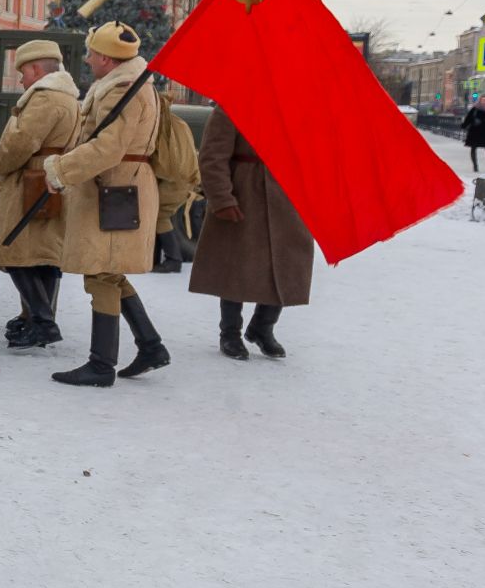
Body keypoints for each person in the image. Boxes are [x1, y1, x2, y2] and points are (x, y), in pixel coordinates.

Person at [41, 22, 168, 387]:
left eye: (93, 54)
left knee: (102, 271)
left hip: (114, 188)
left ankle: (101, 364)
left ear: (109, 60)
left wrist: (61, 170)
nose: (88, 59)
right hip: (117, 186)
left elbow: (109, 148)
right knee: (108, 270)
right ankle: (150, 345)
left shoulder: (121, 90)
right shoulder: (128, 84)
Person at [188, 108, 314, 360]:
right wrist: (222, 198)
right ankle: (230, 333)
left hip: (289, 196)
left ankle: (262, 327)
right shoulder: (231, 106)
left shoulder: (300, 108)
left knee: (289, 263)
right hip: (244, 194)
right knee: (236, 265)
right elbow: (213, 157)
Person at [0, 39, 78, 348]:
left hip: (30, 180)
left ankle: (43, 321)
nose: (22, 79)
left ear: (37, 68)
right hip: (52, 180)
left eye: (23, 72)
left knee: (16, 251)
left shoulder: (44, 98)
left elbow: (21, 143)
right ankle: (39, 318)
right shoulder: (68, 97)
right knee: (43, 256)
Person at [150, 88, 200, 274]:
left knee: (159, 215)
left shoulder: (164, 125)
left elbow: (165, 162)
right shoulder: (176, 122)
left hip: (176, 179)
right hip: (184, 177)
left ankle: (173, 259)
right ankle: (155, 259)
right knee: (156, 214)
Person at [462, 96, 485, 170]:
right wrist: (464, 125)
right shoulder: (475, 109)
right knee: (473, 149)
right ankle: (475, 166)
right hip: (474, 132)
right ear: (480, 100)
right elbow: (468, 118)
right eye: (483, 100)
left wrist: (482, 122)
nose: (484, 102)